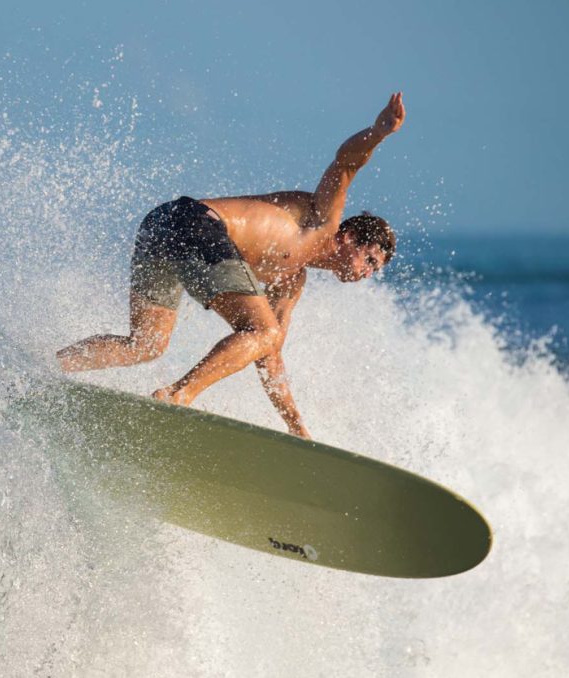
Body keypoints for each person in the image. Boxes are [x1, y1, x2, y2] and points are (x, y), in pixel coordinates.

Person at [57, 92, 405, 438]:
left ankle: (49, 366)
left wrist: (296, 427)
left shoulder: (291, 281)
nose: (368, 273)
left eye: (374, 269)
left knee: (147, 344)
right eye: (370, 259)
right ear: (349, 237)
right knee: (263, 331)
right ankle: (178, 395)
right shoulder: (323, 221)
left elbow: (269, 356)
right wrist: (378, 133)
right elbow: (346, 164)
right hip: (192, 222)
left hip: (162, 224)